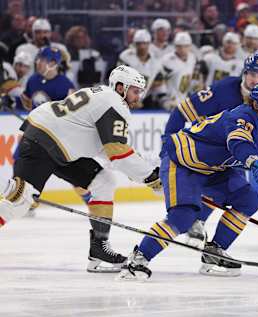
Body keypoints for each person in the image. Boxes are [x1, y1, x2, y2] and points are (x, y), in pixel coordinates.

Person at [118, 82, 258, 280]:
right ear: (256, 105)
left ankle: (214, 253)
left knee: (249, 199)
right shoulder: (241, 117)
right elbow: (239, 143)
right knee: (182, 217)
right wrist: (253, 162)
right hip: (182, 162)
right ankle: (138, 259)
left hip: (212, 169)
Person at [0, 65, 162, 273]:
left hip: (59, 144)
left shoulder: (102, 96)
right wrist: (149, 177)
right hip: (45, 141)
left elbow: (107, 149)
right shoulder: (114, 102)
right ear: (120, 87)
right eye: (135, 91)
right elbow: (116, 151)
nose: (138, 97)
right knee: (20, 200)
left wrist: (143, 173)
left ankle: (98, 250)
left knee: (104, 181)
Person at [162, 52, 258, 248]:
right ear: (244, 73)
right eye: (252, 74)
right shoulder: (223, 89)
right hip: (204, 146)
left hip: (229, 153)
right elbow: (182, 111)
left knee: (238, 192)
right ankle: (194, 220)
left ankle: (205, 233)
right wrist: (166, 142)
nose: (256, 80)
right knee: (219, 186)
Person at [20, 46, 75, 111]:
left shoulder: (66, 85)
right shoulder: (32, 80)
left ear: (53, 63)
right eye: (37, 59)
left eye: (42, 60)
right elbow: (26, 101)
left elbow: (71, 111)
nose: (37, 62)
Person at [118, 29, 162, 108]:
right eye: (139, 43)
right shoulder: (126, 56)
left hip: (145, 99)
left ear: (149, 44)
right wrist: (129, 100)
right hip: (123, 99)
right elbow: (118, 80)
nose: (142, 46)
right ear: (134, 44)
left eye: (144, 43)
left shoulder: (156, 61)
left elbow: (159, 82)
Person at [158, 32, 196, 110]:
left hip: (184, 101)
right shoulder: (167, 60)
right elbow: (159, 80)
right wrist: (164, 99)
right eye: (179, 46)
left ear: (190, 46)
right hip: (169, 100)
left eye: (185, 46)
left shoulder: (192, 58)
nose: (182, 49)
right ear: (175, 46)